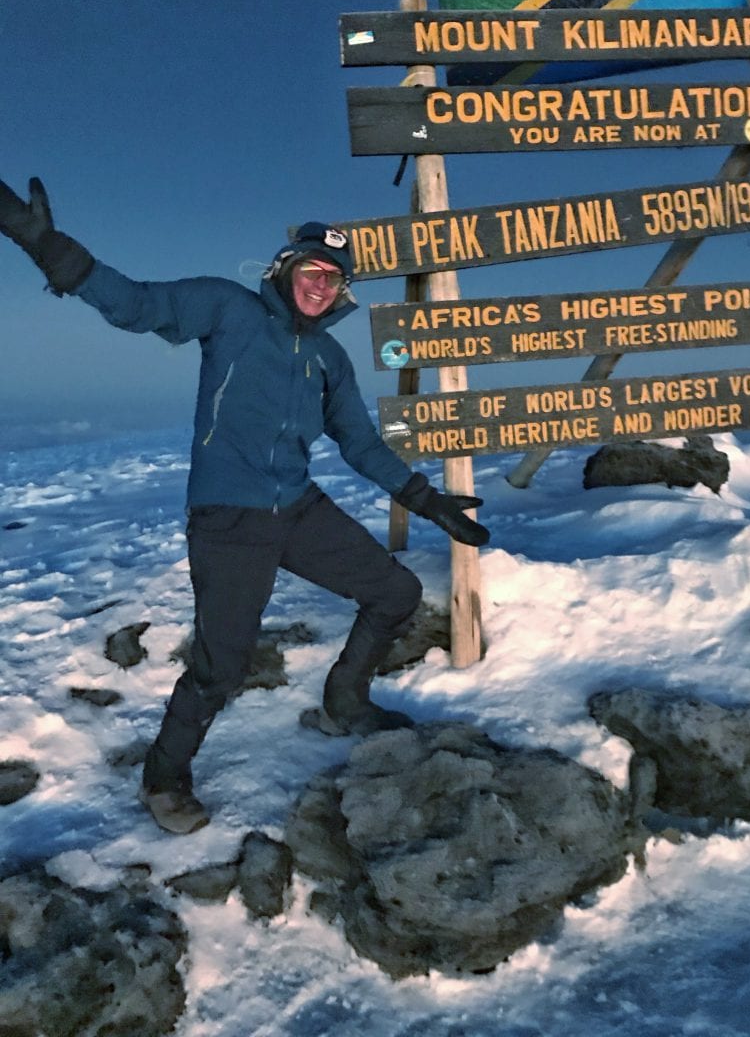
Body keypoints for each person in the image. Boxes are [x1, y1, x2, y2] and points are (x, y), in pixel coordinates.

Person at [0, 176, 489, 835]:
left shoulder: (328, 358)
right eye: (314, 270)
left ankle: (346, 700)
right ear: (287, 269)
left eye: (335, 280)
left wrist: (425, 501)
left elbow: (359, 442)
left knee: (395, 592)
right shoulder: (228, 308)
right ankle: (164, 777)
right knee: (220, 667)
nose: (323, 285)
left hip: (297, 507)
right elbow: (137, 306)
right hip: (228, 516)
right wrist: (52, 250)